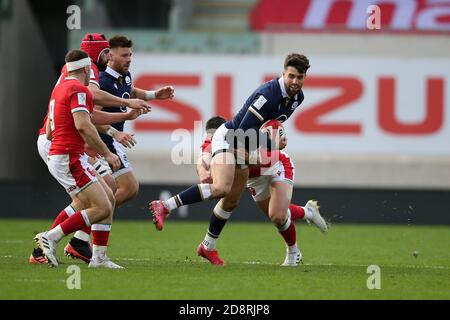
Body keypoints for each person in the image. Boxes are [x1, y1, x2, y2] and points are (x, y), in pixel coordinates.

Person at [150, 53, 313, 265]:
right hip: (229, 138)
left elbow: (265, 125)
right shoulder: (269, 94)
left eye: (299, 77)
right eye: (291, 76)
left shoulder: (297, 98)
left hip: (245, 144)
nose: (295, 81)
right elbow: (244, 128)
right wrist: (272, 144)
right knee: (221, 189)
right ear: (283, 73)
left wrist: (266, 142)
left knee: (231, 201)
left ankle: (207, 246)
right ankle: (165, 205)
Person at [30, 33, 150, 264]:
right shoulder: (84, 82)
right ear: (89, 64)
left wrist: (121, 120)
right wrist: (106, 149)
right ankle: (49, 243)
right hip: (65, 152)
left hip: (59, 146)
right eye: (106, 52)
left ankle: (94, 254)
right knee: (99, 204)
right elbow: (86, 121)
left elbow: (55, 128)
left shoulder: (64, 83)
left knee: (107, 193)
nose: (108, 56)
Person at [197, 116, 328, 266]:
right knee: (276, 214)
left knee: (278, 216)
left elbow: (273, 135)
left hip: (276, 165)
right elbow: (203, 160)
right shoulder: (211, 143)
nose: (212, 140)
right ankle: (308, 212)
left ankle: (293, 252)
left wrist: (277, 138)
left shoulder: (241, 133)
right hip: (253, 179)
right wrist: (203, 171)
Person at [34, 49, 123, 268]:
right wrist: (107, 152)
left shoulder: (61, 89)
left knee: (108, 199)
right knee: (101, 207)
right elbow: (84, 125)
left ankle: (99, 258)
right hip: (69, 158)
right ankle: (51, 237)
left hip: (68, 155)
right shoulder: (77, 89)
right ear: (85, 69)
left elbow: (49, 132)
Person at [98, 35, 174, 208]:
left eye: (130, 55)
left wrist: (154, 95)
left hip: (110, 140)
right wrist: (114, 133)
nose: (129, 59)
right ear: (110, 56)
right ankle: (87, 220)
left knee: (116, 191)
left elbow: (129, 91)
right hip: (101, 141)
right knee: (128, 188)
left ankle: (85, 224)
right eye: (124, 56)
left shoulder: (124, 76)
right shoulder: (102, 82)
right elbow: (90, 117)